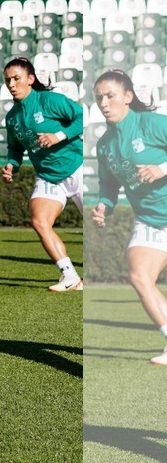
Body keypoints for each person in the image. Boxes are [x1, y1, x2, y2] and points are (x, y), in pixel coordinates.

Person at [91, 69, 167, 364]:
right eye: (99, 98)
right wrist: (104, 206)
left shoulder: (150, 124)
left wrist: (162, 168)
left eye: (110, 95)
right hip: (150, 219)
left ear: (128, 96)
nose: (104, 103)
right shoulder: (104, 145)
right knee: (139, 276)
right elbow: (109, 185)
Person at [1, 57, 84, 292]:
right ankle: (70, 277)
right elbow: (15, 149)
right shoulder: (12, 117)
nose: (11, 84)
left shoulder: (49, 100)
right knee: (39, 221)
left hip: (77, 169)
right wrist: (11, 166)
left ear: (31, 79)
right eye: (8, 80)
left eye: (16, 78)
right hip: (48, 176)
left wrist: (59, 135)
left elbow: (82, 117)